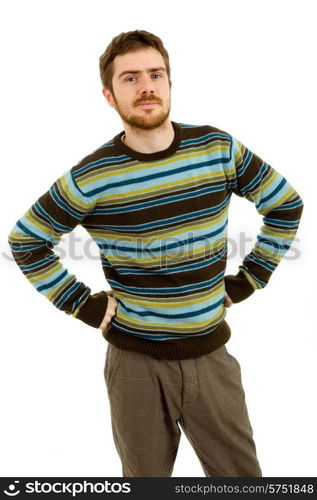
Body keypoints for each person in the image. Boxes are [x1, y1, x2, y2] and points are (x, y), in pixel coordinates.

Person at [8, 30, 303, 477]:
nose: (146, 86)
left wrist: (248, 280)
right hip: (135, 368)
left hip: (212, 361)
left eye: (156, 74)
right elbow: (26, 241)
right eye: (130, 78)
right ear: (110, 95)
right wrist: (80, 303)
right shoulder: (92, 176)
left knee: (242, 482)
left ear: (169, 83)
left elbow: (285, 204)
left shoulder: (217, 148)